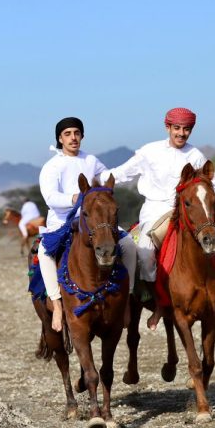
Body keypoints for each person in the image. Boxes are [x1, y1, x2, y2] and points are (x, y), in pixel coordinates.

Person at [100, 107, 215, 330]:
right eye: (177, 128)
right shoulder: (149, 151)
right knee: (145, 252)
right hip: (155, 211)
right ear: (168, 127)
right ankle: (160, 304)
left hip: (188, 213)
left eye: (186, 129)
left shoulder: (196, 156)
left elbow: (212, 185)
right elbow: (122, 172)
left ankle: (212, 299)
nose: (181, 133)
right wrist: (98, 180)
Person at [38, 117, 137, 332]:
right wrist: (74, 198)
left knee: (129, 244)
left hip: (94, 220)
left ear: (82, 135)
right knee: (43, 251)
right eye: (67, 134)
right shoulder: (52, 166)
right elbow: (50, 197)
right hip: (62, 221)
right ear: (60, 139)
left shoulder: (91, 160)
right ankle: (56, 303)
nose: (73, 138)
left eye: (77, 133)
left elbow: (107, 177)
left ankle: (127, 300)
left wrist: (136, 165)